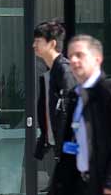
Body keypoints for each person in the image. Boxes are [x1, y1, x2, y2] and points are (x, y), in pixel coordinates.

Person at [49, 34, 111, 195]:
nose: (73, 61)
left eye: (80, 55)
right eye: (70, 56)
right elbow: (70, 144)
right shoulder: (76, 96)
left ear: (97, 59)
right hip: (82, 184)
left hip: (107, 185)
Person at [32, 20, 77, 163]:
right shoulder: (50, 73)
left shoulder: (65, 71)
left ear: (52, 44)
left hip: (70, 148)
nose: (34, 45)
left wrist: (68, 150)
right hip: (60, 148)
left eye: (38, 41)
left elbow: (71, 113)